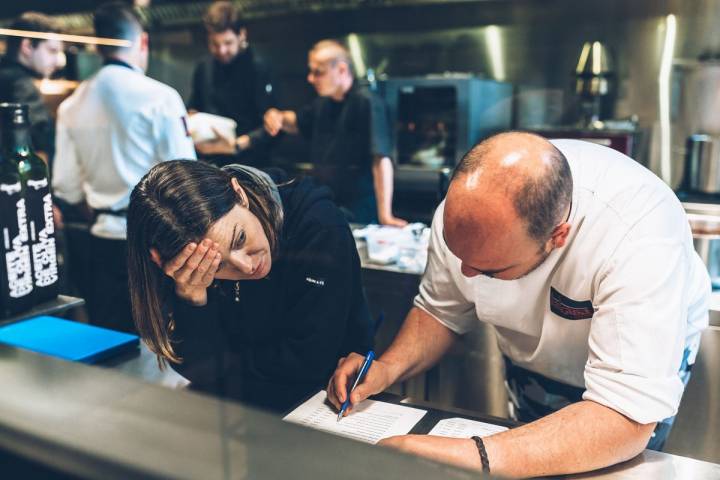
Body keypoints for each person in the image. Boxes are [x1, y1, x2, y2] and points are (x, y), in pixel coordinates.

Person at [327, 132, 710, 477]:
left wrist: (469, 455)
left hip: (623, 402)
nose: (467, 273)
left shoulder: (638, 232)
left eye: (490, 270)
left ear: (558, 236)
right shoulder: (467, 207)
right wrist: (386, 369)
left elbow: (627, 416)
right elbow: (441, 308)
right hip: (531, 368)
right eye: (461, 258)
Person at [126, 160, 374, 413]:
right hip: (232, 411)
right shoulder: (185, 264)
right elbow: (197, 368)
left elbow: (308, 362)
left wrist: (225, 364)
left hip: (322, 404)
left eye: (240, 238)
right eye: (216, 266)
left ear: (239, 193)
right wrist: (191, 298)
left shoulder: (317, 224)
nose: (246, 266)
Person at [52, 2, 196, 333]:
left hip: (101, 244)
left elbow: (66, 185)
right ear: (142, 42)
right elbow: (186, 179)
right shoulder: (161, 97)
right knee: (160, 342)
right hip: (154, 245)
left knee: (112, 343)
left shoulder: (72, 105)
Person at [264, 40, 406, 226]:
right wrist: (278, 116)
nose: (310, 78)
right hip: (328, 203)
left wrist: (385, 215)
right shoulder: (323, 103)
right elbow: (297, 121)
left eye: (318, 72)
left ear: (341, 69)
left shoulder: (368, 102)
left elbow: (381, 159)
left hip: (359, 209)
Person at [188, 1, 276, 167]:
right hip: (210, 163)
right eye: (215, 44)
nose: (221, 50)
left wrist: (236, 145)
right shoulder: (203, 67)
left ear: (241, 35)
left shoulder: (259, 67)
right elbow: (194, 107)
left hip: (250, 164)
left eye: (228, 43)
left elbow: (273, 124)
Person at [0, 12, 63, 162]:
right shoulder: (20, 84)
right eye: (52, 51)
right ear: (27, 47)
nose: (59, 61)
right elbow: (38, 144)